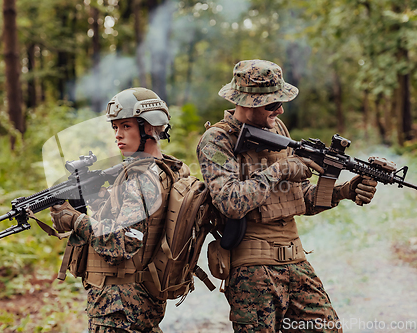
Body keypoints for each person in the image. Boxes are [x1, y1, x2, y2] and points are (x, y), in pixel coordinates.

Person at [196, 60, 378, 332]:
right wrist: (279, 169)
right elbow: (230, 202)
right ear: (247, 101)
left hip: (295, 260)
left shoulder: (278, 129)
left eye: (280, 102)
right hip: (253, 270)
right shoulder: (217, 140)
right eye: (272, 104)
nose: (279, 110)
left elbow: (300, 199)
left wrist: (345, 191)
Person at [50, 87, 190, 332]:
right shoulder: (167, 169)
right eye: (115, 127)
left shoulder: (141, 179)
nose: (118, 134)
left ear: (149, 127)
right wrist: (98, 200)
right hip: (140, 301)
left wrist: (74, 220)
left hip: (118, 307)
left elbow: (120, 245)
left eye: (126, 126)